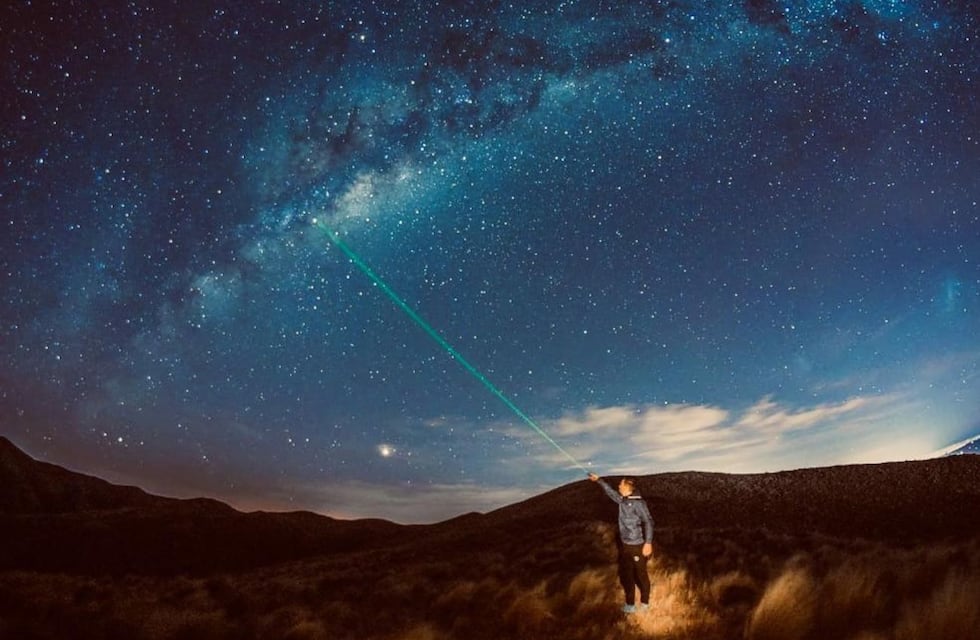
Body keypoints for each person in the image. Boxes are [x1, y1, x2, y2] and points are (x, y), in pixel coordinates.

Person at [589, 472, 654, 614]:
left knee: (641, 575)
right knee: (628, 575)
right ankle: (630, 605)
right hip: (625, 545)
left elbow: (648, 521)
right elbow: (611, 493)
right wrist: (599, 480)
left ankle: (645, 604)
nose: (618, 485)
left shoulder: (638, 503)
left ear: (627, 486)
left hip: (637, 545)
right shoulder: (623, 500)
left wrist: (648, 543)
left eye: (621, 483)